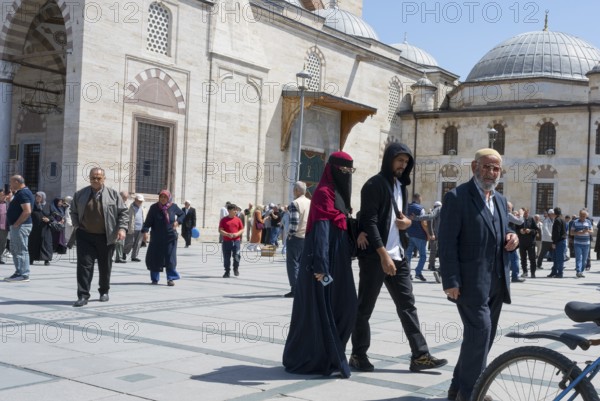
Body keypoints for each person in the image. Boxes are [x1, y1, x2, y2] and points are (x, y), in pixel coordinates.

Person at [349, 142, 447, 374]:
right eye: (399, 160)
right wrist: (383, 254)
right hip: (376, 257)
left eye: (406, 161)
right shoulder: (374, 184)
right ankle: (358, 354)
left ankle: (420, 356)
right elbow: (370, 222)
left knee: (407, 306)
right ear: (389, 159)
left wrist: (408, 223)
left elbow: (399, 218)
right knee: (365, 307)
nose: (403, 165)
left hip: (399, 256)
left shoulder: (400, 186)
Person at [438, 148, 519, 401]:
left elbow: (503, 231)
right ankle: (471, 393)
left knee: (481, 338)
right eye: (486, 167)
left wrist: (512, 238)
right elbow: (447, 242)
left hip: (496, 282)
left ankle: (456, 388)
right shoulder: (457, 197)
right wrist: (450, 280)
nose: (491, 172)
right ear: (474, 166)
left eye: (496, 168)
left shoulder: (499, 201)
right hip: (470, 284)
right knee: (481, 334)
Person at [283, 152, 358, 378]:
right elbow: (322, 231)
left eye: (349, 171)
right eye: (343, 170)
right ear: (333, 169)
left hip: (340, 260)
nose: (346, 175)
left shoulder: (338, 194)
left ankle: (331, 354)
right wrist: (321, 267)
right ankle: (320, 357)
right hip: (324, 263)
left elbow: (342, 224)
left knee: (346, 307)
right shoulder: (325, 193)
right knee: (322, 308)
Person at [70, 167, 128, 306]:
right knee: (84, 266)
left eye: (98, 178)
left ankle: (104, 291)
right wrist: (77, 225)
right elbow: (73, 211)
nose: (95, 180)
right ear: (89, 178)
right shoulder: (80, 194)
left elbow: (123, 213)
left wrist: (122, 229)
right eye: (93, 178)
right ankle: (83, 295)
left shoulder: (113, 195)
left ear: (104, 178)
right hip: (85, 236)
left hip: (106, 237)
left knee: (105, 266)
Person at [142, 190, 184, 285]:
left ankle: (170, 278)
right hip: (157, 238)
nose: (163, 198)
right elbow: (148, 222)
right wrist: (145, 231)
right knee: (155, 257)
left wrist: (178, 222)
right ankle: (154, 279)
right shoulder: (154, 208)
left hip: (170, 237)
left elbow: (182, 214)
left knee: (170, 257)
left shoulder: (173, 206)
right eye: (161, 196)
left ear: (168, 198)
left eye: (165, 197)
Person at [4, 175, 35, 282]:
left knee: (21, 249)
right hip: (18, 226)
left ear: (17, 182)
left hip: (21, 226)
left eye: (11, 182)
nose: (10, 184)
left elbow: (27, 211)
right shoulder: (20, 193)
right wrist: (10, 199)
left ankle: (24, 274)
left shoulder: (24, 193)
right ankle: (19, 272)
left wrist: (17, 224)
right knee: (16, 249)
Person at [285, 181, 311, 298]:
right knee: (303, 264)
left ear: (296, 190)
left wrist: (290, 235)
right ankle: (303, 288)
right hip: (307, 237)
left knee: (292, 263)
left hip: (296, 238)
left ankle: (295, 289)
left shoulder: (295, 203)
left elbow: (294, 223)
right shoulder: (311, 202)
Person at [405, 193, 430, 281]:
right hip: (419, 235)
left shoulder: (406, 207)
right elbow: (423, 223)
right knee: (423, 255)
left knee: (408, 255)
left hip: (408, 234)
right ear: (419, 198)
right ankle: (418, 273)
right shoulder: (420, 208)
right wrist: (428, 234)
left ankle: (408, 274)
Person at [219, 203, 244, 278]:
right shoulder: (223, 220)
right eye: (234, 210)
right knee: (226, 257)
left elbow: (242, 229)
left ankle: (235, 268)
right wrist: (227, 234)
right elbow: (220, 230)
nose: (236, 211)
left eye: (236, 210)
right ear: (229, 210)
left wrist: (237, 234)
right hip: (226, 242)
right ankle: (227, 271)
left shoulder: (238, 220)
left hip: (236, 241)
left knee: (236, 256)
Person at [28, 191, 53, 266]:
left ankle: (46, 260)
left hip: (45, 228)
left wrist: (49, 219)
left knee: (46, 243)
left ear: (43, 197)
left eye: (39, 196)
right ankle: (31, 259)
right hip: (35, 228)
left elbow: (52, 215)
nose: (37, 198)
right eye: (36, 196)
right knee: (33, 243)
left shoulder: (48, 205)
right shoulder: (32, 205)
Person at [570, 209, 592, 278]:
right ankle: (578, 271)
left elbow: (592, 231)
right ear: (579, 215)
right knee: (578, 258)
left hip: (586, 244)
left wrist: (587, 230)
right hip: (577, 243)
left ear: (586, 216)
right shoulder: (575, 222)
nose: (583, 217)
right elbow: (571, 233)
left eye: (584, 216)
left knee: (584, 259)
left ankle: (581, 271)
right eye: (581, 216)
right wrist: (579, 232)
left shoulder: (588, 222)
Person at [517, 208, 537, 278]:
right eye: (524, 213)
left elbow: (536, 230)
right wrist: (520, 231)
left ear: (528, 213)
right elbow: (515, 230)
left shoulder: (531, 219)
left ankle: (533, 273)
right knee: (523, 258)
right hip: (522, 242)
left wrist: (530, 231)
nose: (525, 215)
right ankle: (525, 272)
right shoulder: (519, 219)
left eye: (526, 213)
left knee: (532, 258)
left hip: (531, 242)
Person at [547, 207, 567, 278]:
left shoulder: (557, 220)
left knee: (559, 258)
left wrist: (554, 242)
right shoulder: (562, 219)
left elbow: (557, 233)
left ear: (554, 213)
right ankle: (554, 272)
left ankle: (560, 273)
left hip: (559, 241)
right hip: (561, 241)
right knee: (555, 258)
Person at [124, 194, 145, 262]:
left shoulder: (142, 208)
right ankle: (124, 253)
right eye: (139, 201)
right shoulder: (130, 206)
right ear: (135, 200)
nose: (140, 202)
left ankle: (134, 256)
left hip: (140, 228)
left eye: (141, 201)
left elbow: (143, 217)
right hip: (132, 227)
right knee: (129, 242)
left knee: (138, 243)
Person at [114, 191, 130, 263]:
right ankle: (110, 257)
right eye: (124, 197)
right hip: (114, 226)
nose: (125, 199)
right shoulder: (115, 203)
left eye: (126, 198)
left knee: (120, 242)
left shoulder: (124, 204)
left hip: (122, 227)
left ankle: (119, 257)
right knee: (114, 242)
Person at [0, 189, 10, 264]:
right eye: (1, 195)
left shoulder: (8, 204)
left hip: (4, 227)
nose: (3, 197)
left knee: (3, 243)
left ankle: (0, 257)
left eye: (4, 195)